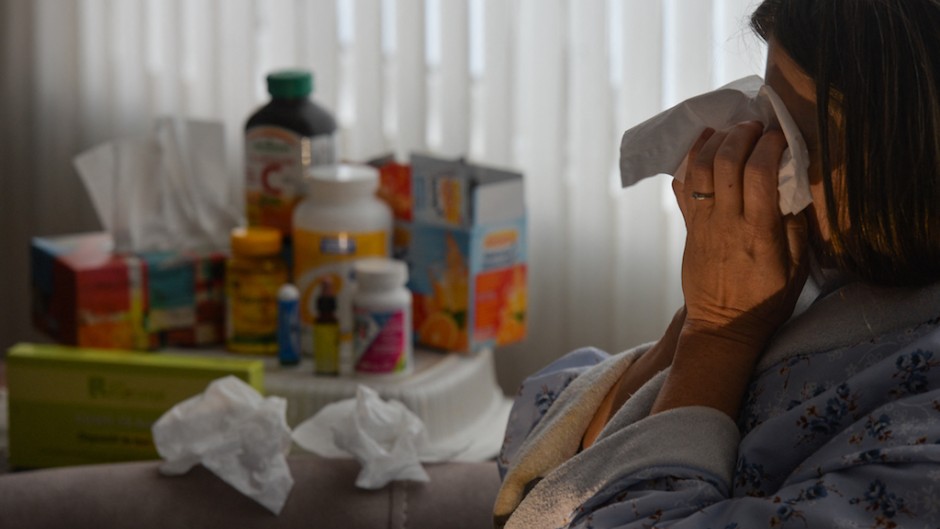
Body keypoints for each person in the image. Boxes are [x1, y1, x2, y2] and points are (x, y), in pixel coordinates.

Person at [493, 1, 940, 527]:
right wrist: (701, 316)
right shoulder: (836, 283)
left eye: (805, 140)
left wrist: (718, 336)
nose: (770, 164)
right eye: (769, 116)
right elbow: (571, 452)